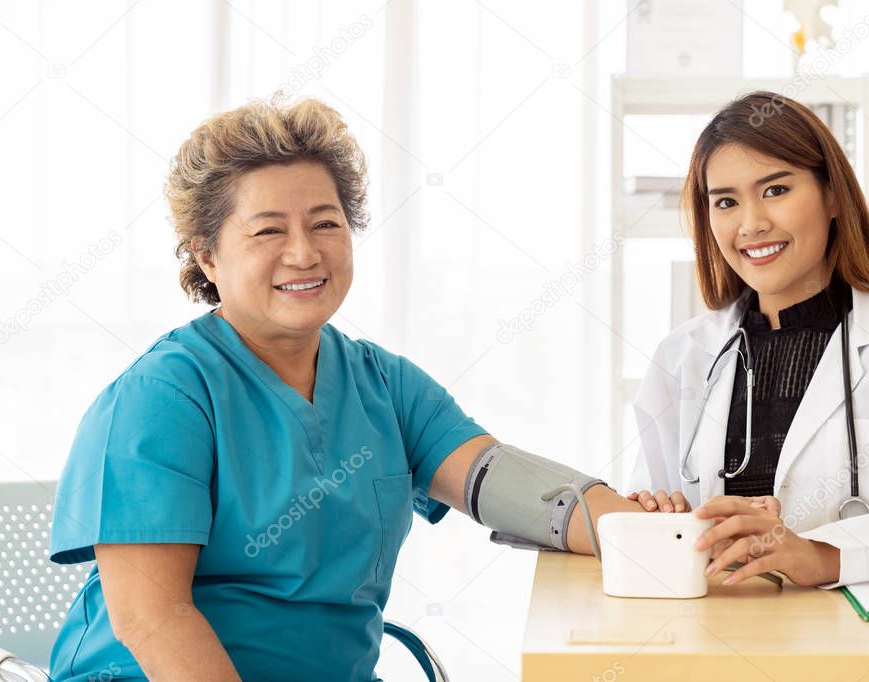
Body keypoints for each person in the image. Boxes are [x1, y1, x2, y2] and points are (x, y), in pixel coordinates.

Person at [48, 98, 666, 682]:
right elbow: (152, 620)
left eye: (326, 223)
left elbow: (514, 489)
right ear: (207, 256)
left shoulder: (384, 383)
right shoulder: (162, 397)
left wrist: (668, 534)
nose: (304, 252)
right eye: (268, 232)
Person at [628, 91, 869, 588]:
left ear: (833, 195)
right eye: (726, 202)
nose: (751, 224)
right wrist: (659, 517)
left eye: (775, 190)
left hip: (856, 649)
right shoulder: (684, 355)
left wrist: (823, 555)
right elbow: (650, 518)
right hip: (717, 629)